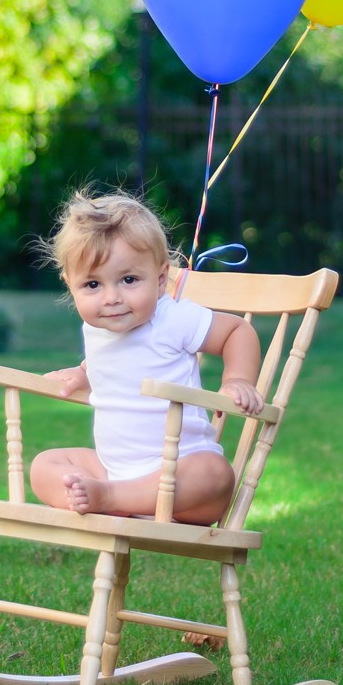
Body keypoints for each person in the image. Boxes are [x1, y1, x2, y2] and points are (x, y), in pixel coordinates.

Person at [30, 189, 263, 525]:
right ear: (71, 285)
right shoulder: (96, 328)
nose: (111, 298)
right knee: (43, 466)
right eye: (92, 285)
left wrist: (237, 380)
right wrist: (85, 373)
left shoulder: (171, 318)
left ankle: (110, 499)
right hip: (114, 470)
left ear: (161, 278)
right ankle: (108, 495)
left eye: (128, 280)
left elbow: (236, 331)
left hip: (181, 477)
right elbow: (118, 364)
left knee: (215, 474)